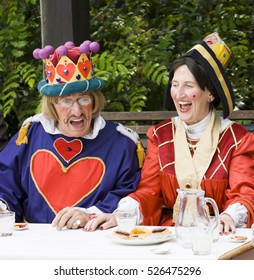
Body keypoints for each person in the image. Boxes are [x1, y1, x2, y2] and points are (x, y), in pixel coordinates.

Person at [85, 32, 254, 234]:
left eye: (188, 86)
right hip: (170, 235)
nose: (179, 94)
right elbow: (149, 191)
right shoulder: (160, 134)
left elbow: (244, 194)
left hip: (217, 235)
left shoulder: (237, 139)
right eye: (175, 85)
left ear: (211, 94)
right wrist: (121, 215)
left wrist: (228, 217)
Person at [0, 40, 143, 230]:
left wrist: (91, 214)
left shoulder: (122, 143)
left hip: (98, 242)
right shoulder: (30, 135)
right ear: (52, 105)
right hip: (37, 241)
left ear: (95, 101)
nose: (77, 111)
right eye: (65, 101)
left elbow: (129, 197)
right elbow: (6, 185)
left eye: (84, 99)